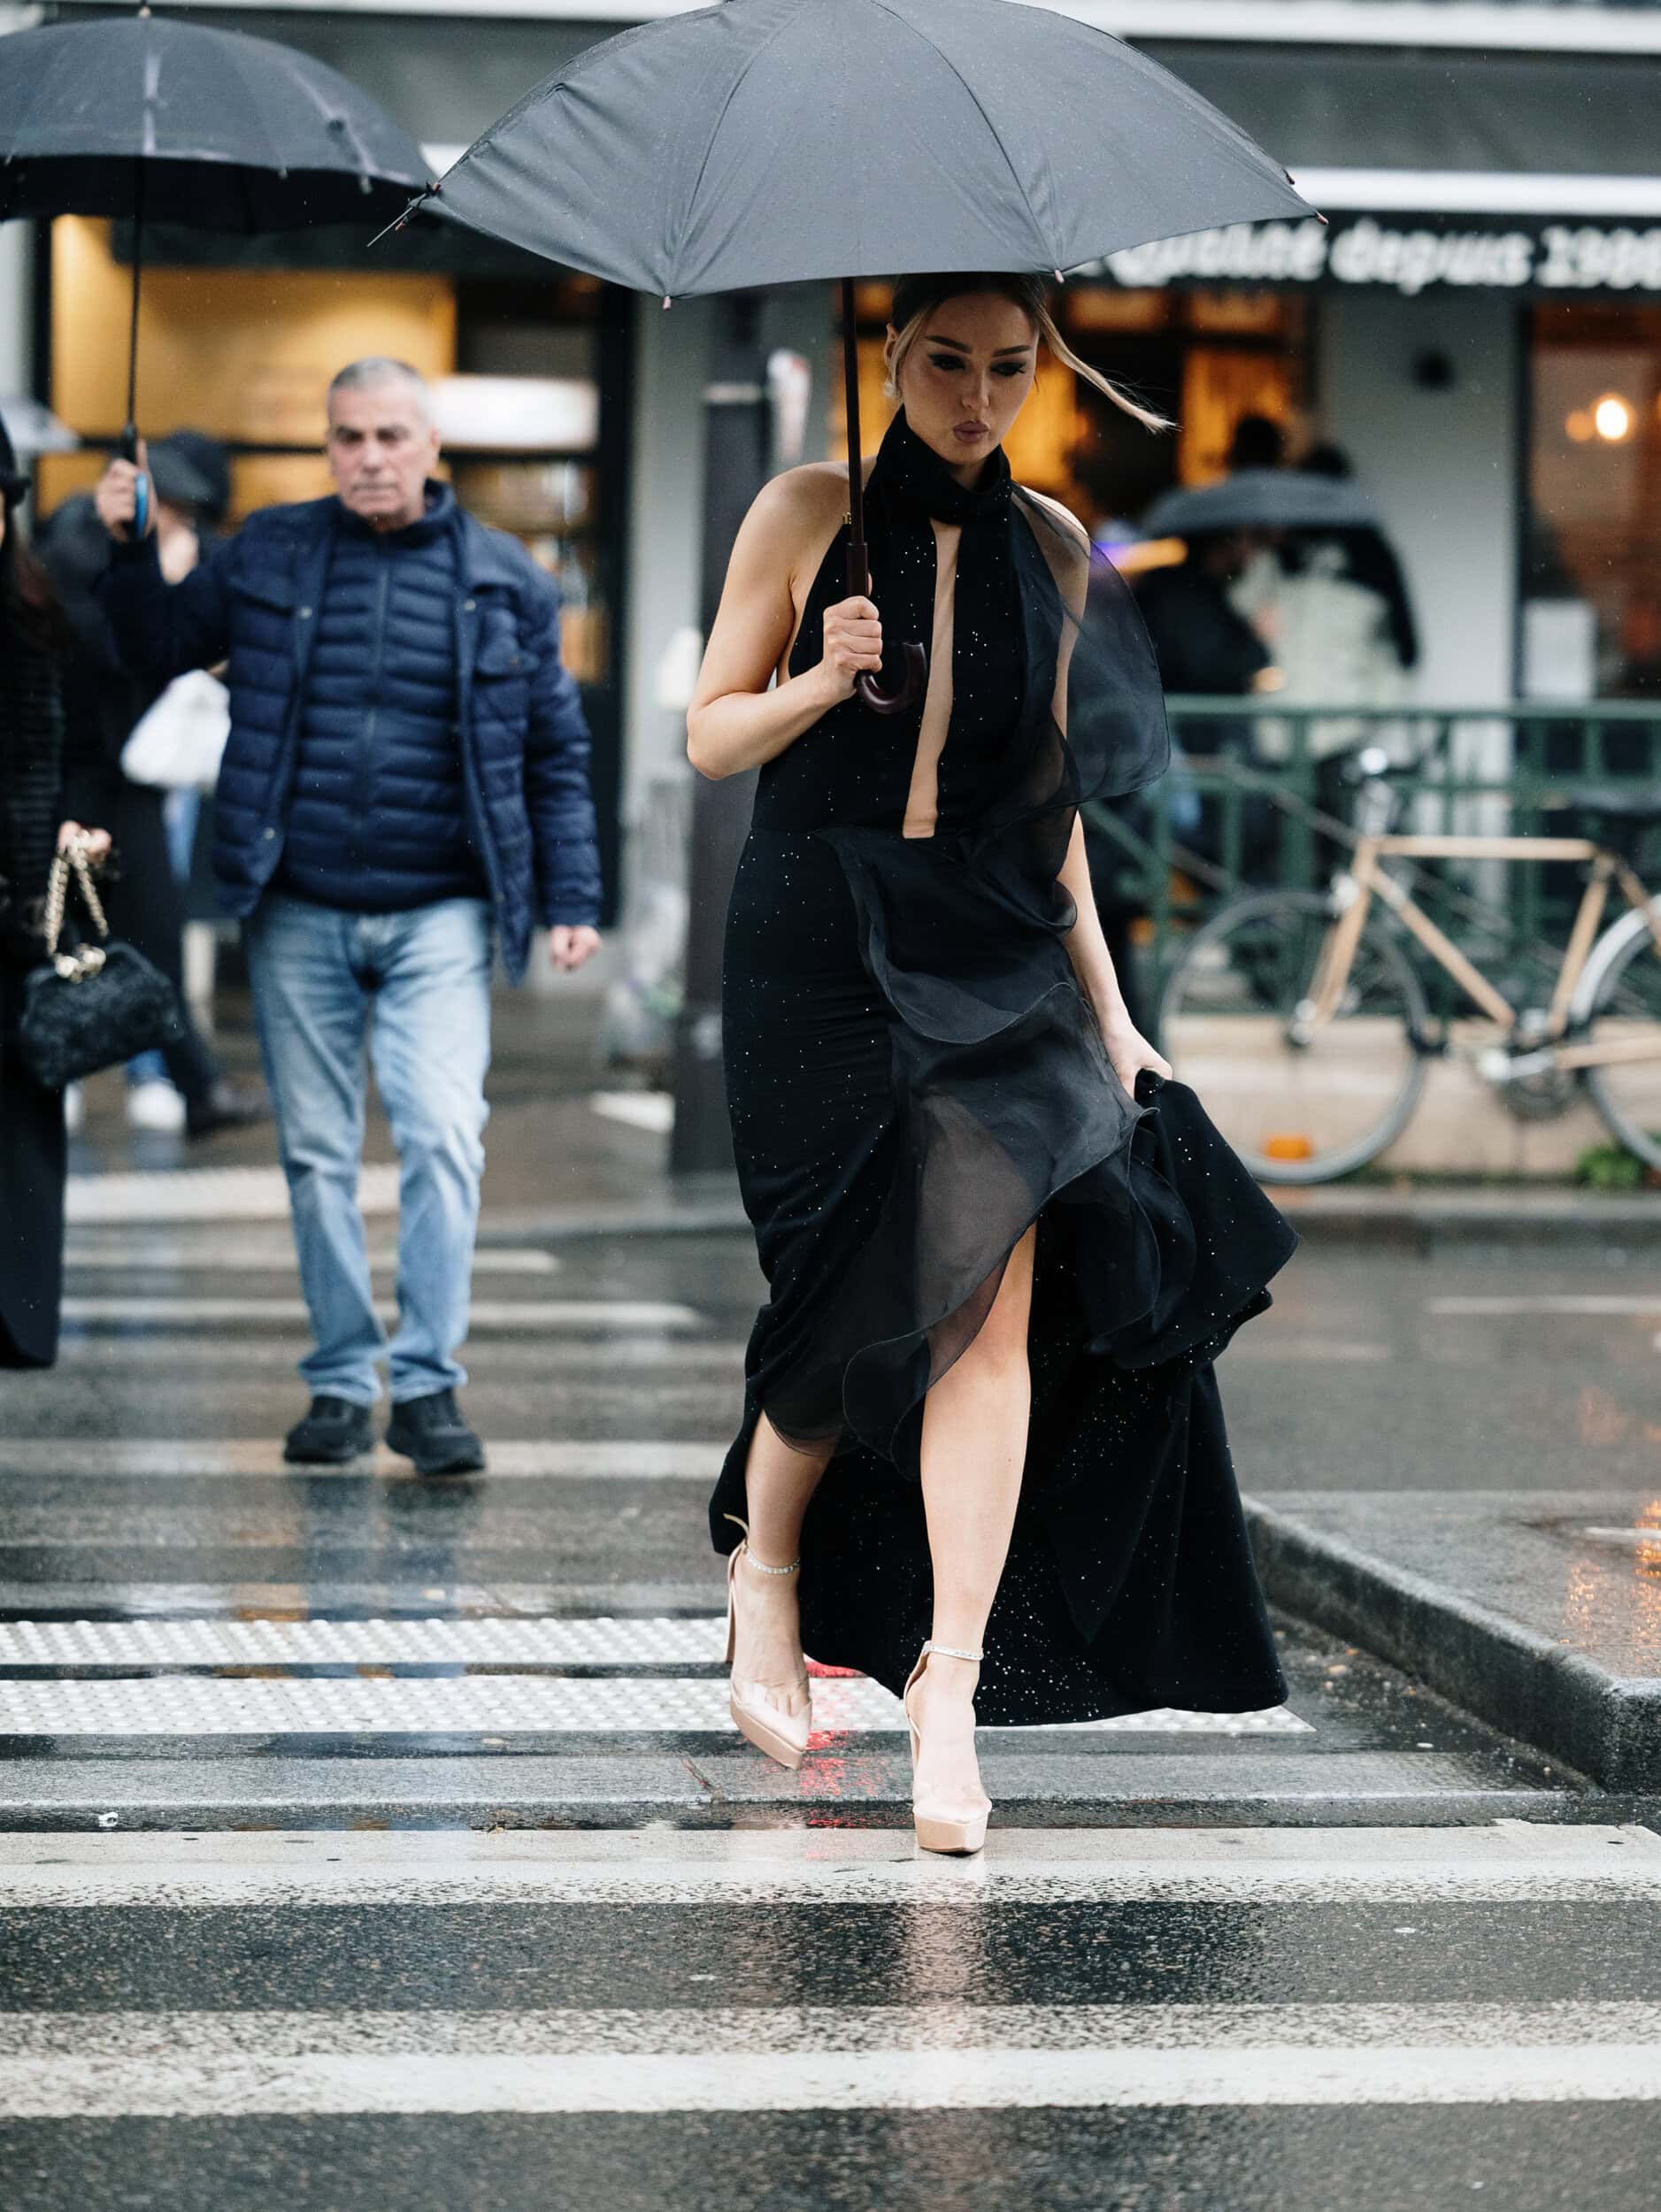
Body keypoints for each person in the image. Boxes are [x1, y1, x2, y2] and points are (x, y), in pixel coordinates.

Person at [689, 273, 1296, 1855]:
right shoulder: (804, 508)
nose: (975, 395)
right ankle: (764, 1570)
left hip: (993, 949)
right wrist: (821, 676)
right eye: (946, 363)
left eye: (1008, 368)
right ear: (888, 358)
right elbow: (707, 736)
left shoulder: (1047, 544)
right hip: (814, 943)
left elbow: (1051, 804)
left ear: (1045, 372)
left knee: (985, 1303)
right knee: (845, 1290)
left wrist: (1108, 1010)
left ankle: (941, 1688)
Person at [92, 359, 603, 1472]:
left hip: (441, 914)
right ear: (329, 449)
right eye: (348, 438)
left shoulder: (503, 577)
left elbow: (555, 753)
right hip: (298, 905)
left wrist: (571, 896)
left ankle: (424, 1386)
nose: (368, 456)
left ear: (432, 449)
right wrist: (131, 549)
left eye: (389, 436)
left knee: (441, 1136)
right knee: (317, 1154)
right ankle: (336, 1380)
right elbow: (153, 646)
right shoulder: (269, 552)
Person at [37, 434, 265, 1138]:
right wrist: (152, 583)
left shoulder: (108, 550)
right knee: (87, 935)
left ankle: (194, 1086)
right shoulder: (76, 554)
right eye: (180, 514)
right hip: (77, 785)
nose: (188, 530)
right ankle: (171, 1084)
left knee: (138, 936)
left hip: (119, 782)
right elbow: (108, 660)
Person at [0, 419, 112, 1368]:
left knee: (24, 1117)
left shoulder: (41, 617)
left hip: (17, 916)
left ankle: (17, 1315)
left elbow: (87, 749)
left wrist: (80, 822)